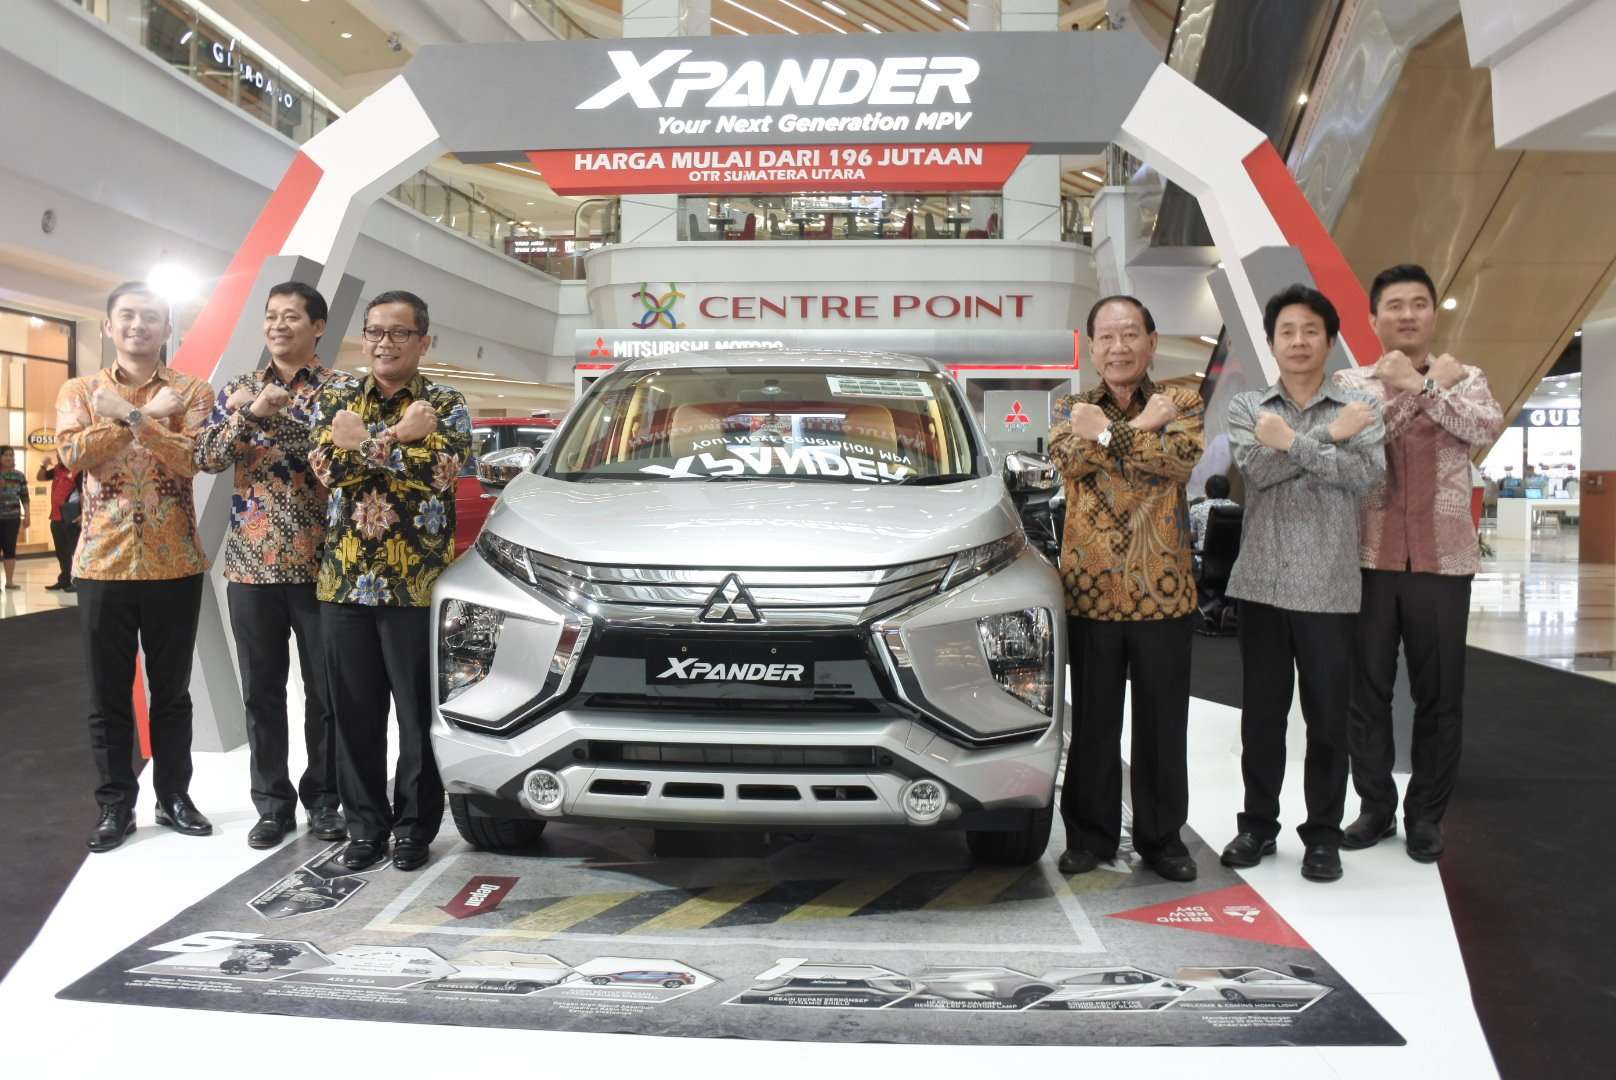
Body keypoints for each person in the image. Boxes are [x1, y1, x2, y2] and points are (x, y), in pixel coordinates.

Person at [1336, 264, 1505, 862]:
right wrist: (1423, 387)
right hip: (1370, 556)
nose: (1407, 314)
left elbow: (1485, 426)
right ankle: (1375, 808)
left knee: (1441, 695)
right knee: (1367, 693)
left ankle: (1427, 815)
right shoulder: (1351, 380)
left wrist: (1425, 386)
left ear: (1434, 313)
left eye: (1418, 303)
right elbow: (1362, 438)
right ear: (1373, 318)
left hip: (1443, 560)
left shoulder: (1468, 376)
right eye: (1394, 305)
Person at [1219, 285, 1386, 883]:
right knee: (1261, 718)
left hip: (1329, 587)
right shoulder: (1248, 406)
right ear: (1271, 342)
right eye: (1286, 331)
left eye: (1310, 330)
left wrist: (1293, 441)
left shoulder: (1360, 405)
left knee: (1328, 722)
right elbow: (1258, 473)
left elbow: (1366, 478)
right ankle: (1257, 826)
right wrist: (1328, 437)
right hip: (1262, 582)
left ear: (1330, 340)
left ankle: (1322, 836)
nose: (1298, 341)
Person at [309, 290, 470, 873]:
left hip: (417, 586)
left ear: (423, 340)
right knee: (353, 716)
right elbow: (328, 469)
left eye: (399, 333)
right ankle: (365, 829)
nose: (384, 343)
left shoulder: (445, 402)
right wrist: (400, 437)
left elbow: (443, 473)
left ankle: (413, 829)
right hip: (344, 583)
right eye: (375, 331)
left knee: (417, 716)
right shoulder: (336, 397)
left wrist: (367, 444)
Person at [56, 281, 217, 852]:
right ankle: (115, 805)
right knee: (107, 696)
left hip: (175, 562)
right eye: (126, 315)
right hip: (103, 562)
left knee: (171, 693)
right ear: (108, 326)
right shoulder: (80, 389)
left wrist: (130, 416)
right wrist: (147, 415)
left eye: (150, 317)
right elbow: (73, 454)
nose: (138, 326)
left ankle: (174, 797)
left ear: (167, 329)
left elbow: (193, 460)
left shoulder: (193, 390)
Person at [1049, 295, 1205, 882]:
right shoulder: (1070, 406)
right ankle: (1088, 836)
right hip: (1090, 591)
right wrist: (1139, 430)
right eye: (1108, 337)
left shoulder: (1182, 402)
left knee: (1163, 723)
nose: (1119, 347)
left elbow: (1178, 461)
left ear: (1152, 342)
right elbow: (1069, 461)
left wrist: (1108, 437)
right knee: (1092, 721)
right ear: (1092, 348)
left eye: (1130, 334)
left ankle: (1162, 839)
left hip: (1163, 591)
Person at [195, 281, 346, 851]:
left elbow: (332, 457)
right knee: (261, 693)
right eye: (271, 315)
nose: (278, 325)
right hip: (250, 566)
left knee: (326, 693)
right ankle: (272, 804)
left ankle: (324, 799)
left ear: (317, 326)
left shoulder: (341, 390)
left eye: (291, 316)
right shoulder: (240, 387)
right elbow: (207, 455)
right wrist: (250, 413)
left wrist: (268, 419)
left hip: (322, 564)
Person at [36, 452, 80, 591]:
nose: (60, 457)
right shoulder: (56, 469)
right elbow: (40, 478)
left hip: (71, 517)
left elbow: (84, 494)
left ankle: (76, 582)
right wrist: (43, 465)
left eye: (63, 454)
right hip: (55, 517)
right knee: (61, 552)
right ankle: (64, 580)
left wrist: (83, 514)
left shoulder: (78, 470)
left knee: (74, 551)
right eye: (58, 455)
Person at [0, 447, 27, 589]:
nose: (9, 458)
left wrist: (27, 515)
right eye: (6, 455)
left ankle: (9, 582)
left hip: (13, 518)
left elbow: (25, 497)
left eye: (11, 455)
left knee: (10, 549)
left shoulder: (19, 476)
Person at [1189, 473, 1237, 552]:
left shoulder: (1197, 508)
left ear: (1206, 490)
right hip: (1231, 555)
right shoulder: (1236, 508)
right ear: (1227, 490)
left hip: (1203, 555)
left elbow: (1191, 536)